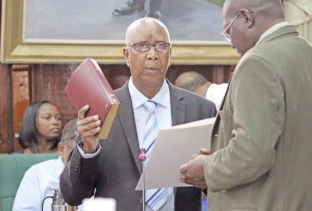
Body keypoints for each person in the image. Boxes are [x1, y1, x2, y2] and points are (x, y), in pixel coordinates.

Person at [179, 0, 312, 210]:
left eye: (228, 31)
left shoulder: (257, 62)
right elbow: (294, 147)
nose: (230, 43)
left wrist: (207, 168)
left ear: (246, 17)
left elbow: (251, 154)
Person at [60, 17, 217, 211]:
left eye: (160, 46)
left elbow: (220, 186)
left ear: (170, 53)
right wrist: (88, 149)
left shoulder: (200, 110)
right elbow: (74, 195)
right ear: (126, 55)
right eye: (143, 46)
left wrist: (208, 174)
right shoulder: (102, 110)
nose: (153, 54)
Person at [13, 119, 78, 211]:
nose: (86, 158)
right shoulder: (37, 175)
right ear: (62, 149)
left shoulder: (102, 174)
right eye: (79, 153)